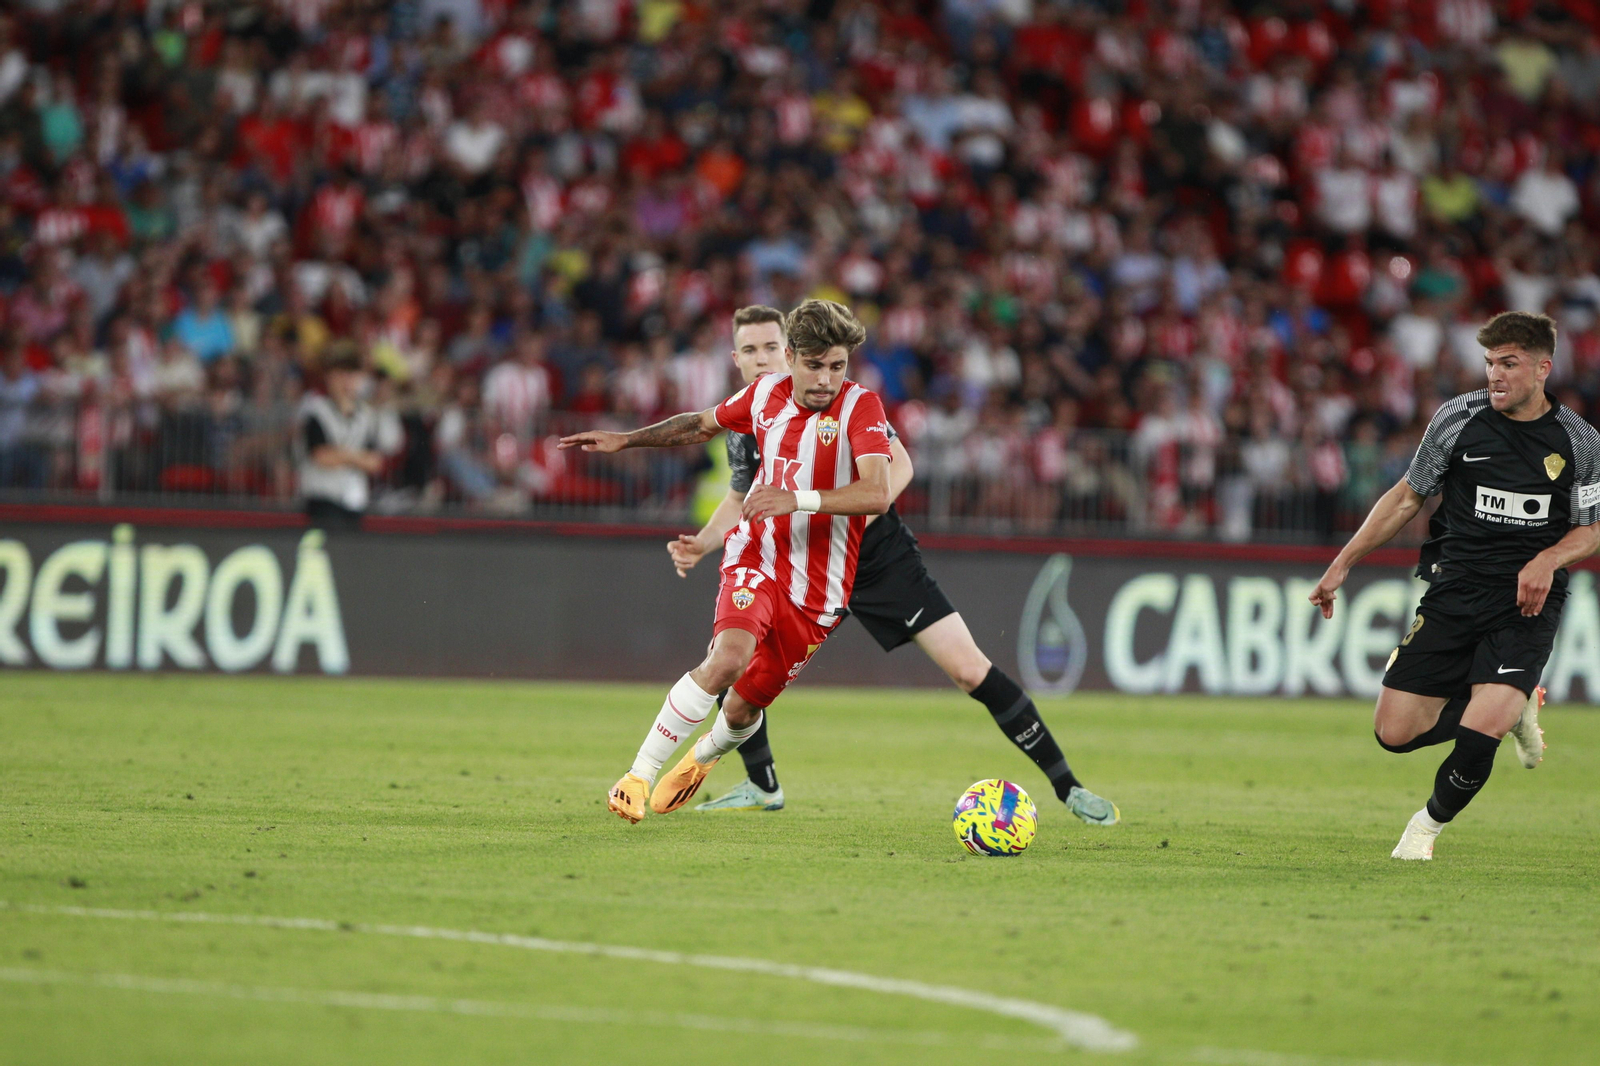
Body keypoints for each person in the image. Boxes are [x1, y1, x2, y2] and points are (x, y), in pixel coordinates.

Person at [671, 305, 1120, 825]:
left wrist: (853, 514)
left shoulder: (844, 400)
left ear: (789, 351)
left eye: (770, 347)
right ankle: (762, 784)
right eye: (750, 350)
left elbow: (898, 465)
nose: (761, 359)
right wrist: (704, 543)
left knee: (969, 669)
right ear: (737, 358)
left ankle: (1068, 787)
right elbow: (740, 497)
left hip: (878, 560)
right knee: (733, 657)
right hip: (797, 563)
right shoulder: (748, 418)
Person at [559, 299, 894, 823]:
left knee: (743, 708)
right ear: (790, 357)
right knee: (728, 659)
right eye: (814, 365)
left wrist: (798, 499)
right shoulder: (764, 395)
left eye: (838, 366)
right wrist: (626, 440)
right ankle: (637, 775)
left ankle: (701, 759)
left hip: (821, 593)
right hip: (756, 558)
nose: (827, 379)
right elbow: (699, 424)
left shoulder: (861, 408)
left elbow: (878, 493)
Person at [1309, 311, 1600, 860]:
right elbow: (1406, 497)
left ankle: (1425, 828)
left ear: (1543, 369)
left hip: (1526, 603)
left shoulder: (1579, 442)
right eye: (1490, 363)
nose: (1494, 375)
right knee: (1392, 733)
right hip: (1455, 590)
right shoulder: (1457, 419)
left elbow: (1591, 529)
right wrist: (1343, 562)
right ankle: (1512, 705)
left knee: (1476, 735)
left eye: (1508, 364)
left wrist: (1548, 559)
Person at [298, 346, 400, 529]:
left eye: (351, 375)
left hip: (355, 499)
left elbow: (375, 462)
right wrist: (356, 457)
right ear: (329, 377)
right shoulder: (316, 411)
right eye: (340, 375)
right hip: (322, 497)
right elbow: (322, 457)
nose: (346, 381)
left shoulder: (367, 416)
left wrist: (342, 455)